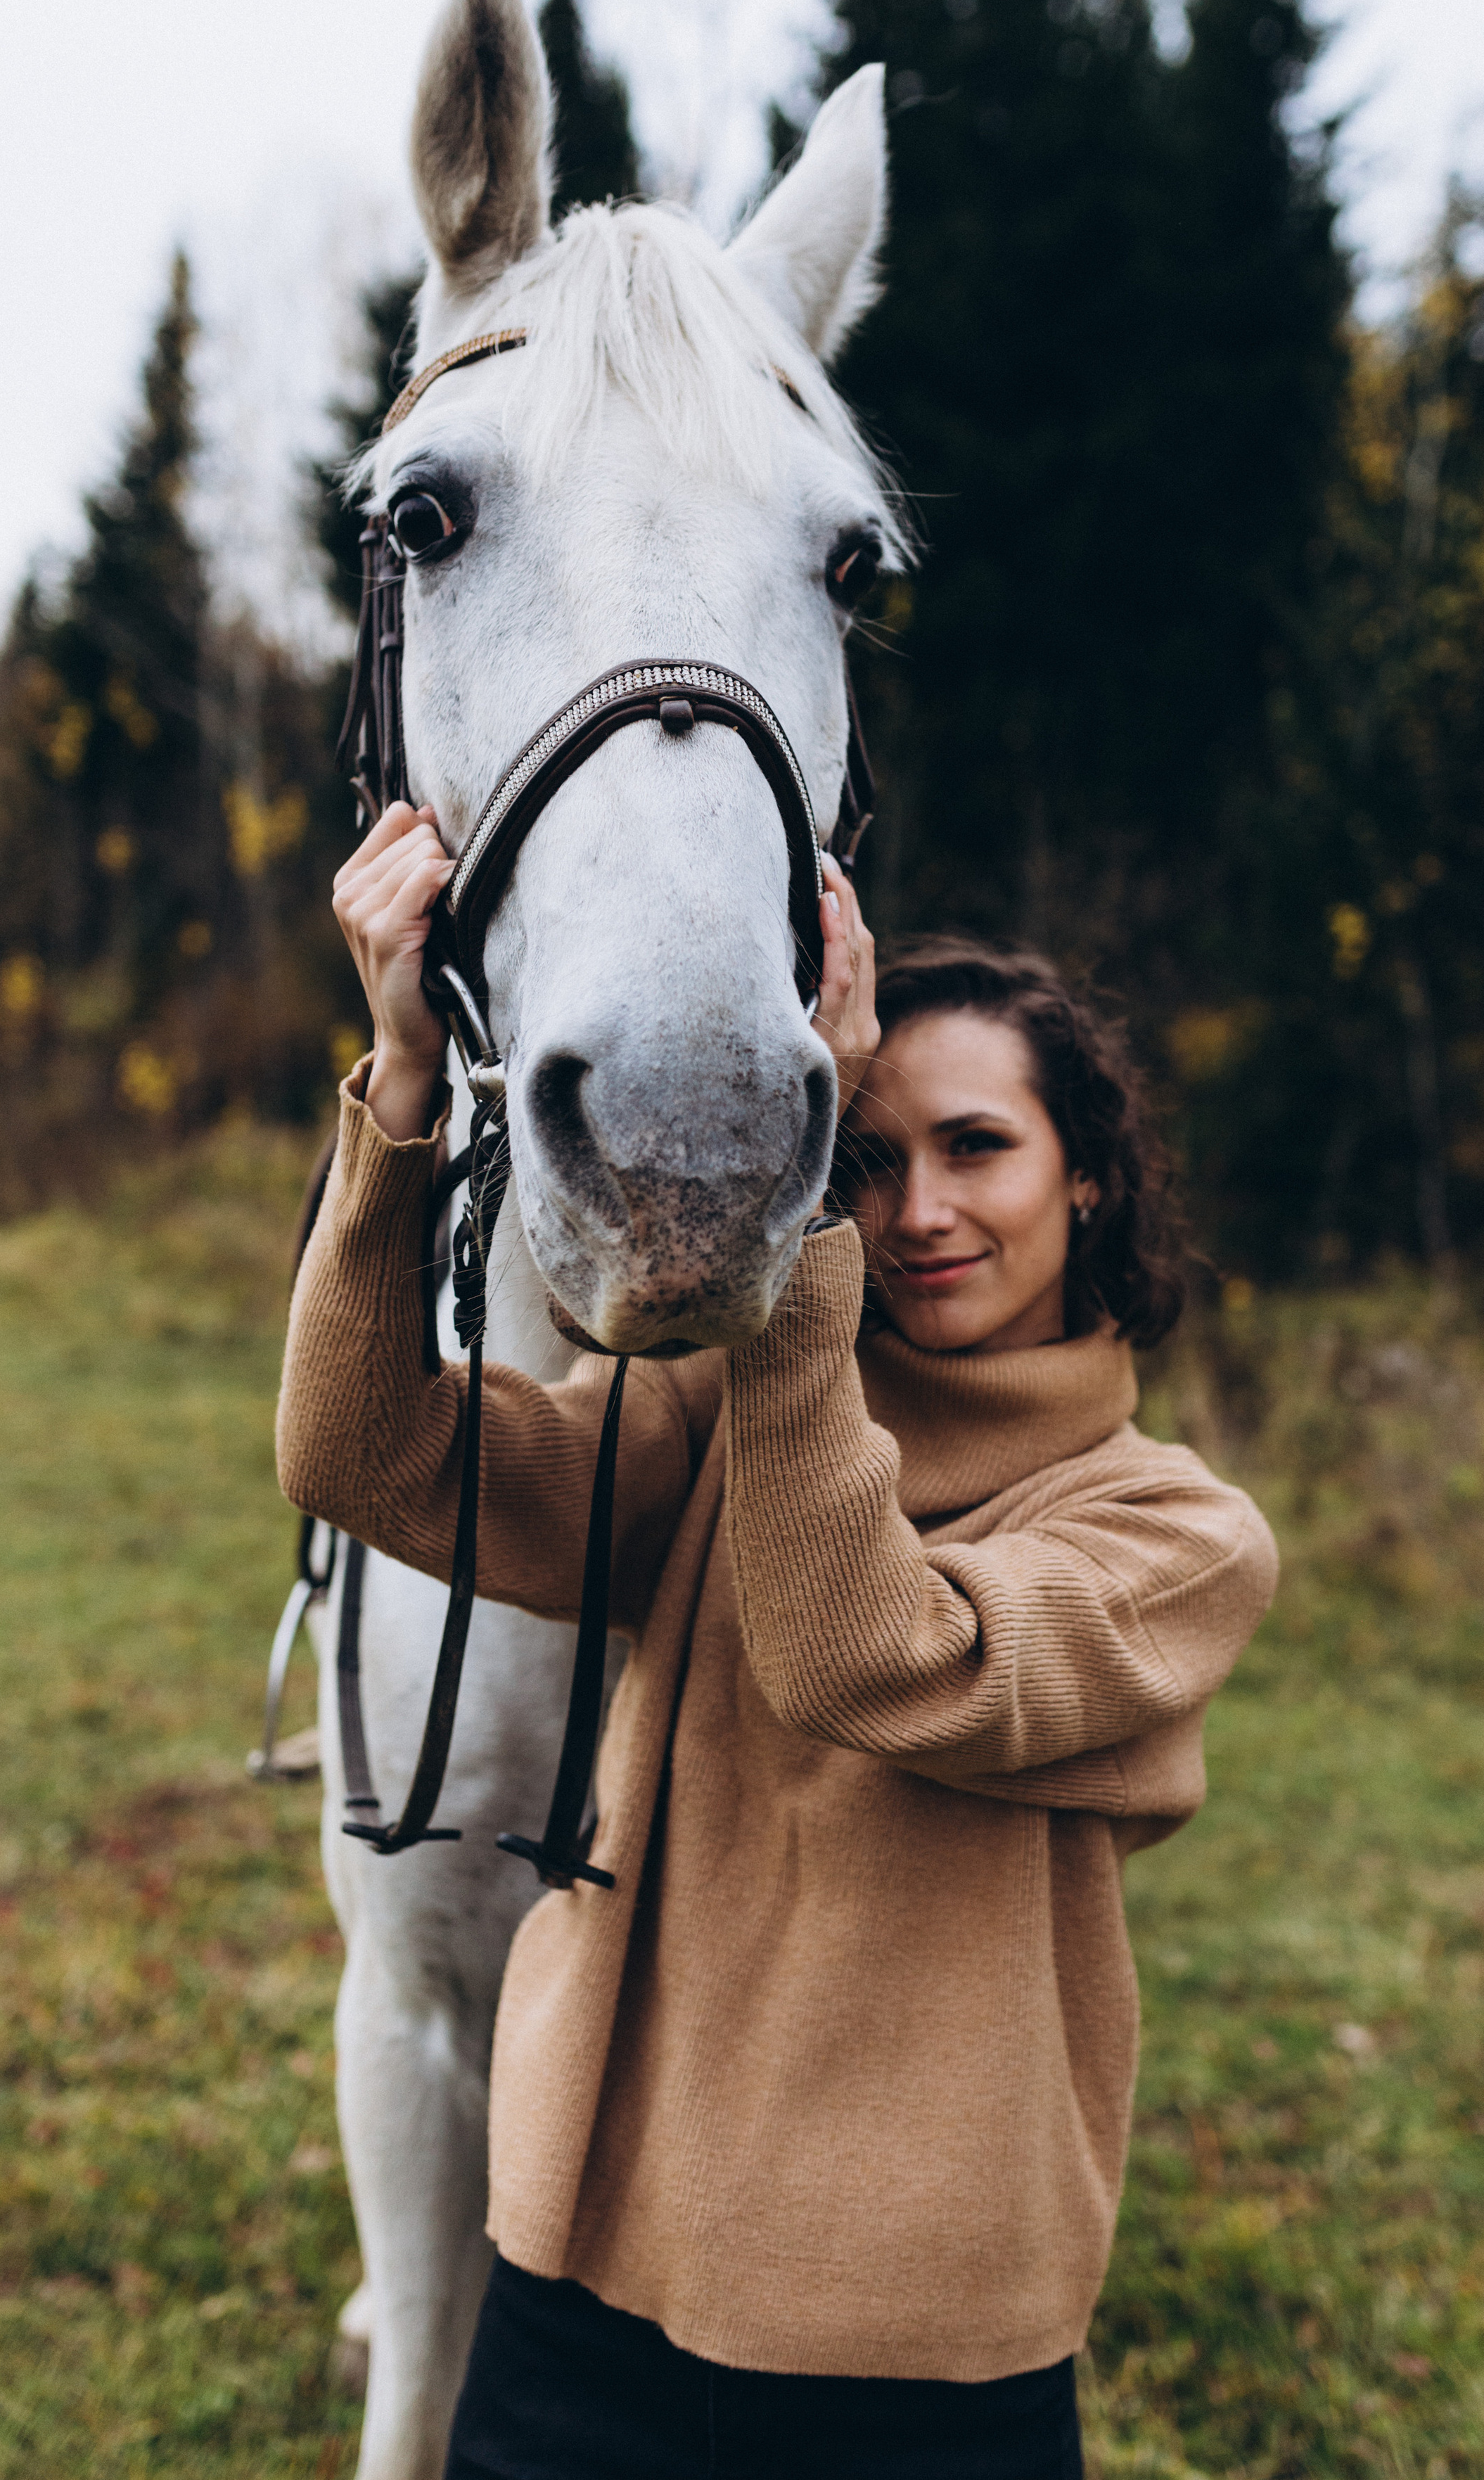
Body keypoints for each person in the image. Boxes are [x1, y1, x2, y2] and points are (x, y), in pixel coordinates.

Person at [278, 800, 1278, 2480]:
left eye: (976, 1146)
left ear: (1086, 1174)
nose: (915, 1212)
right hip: (582, 2286)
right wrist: (401, 1088)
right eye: (862, 1160)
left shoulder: (1171, 1536)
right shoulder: (719, 1426)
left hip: (913, 2355)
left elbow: (859, 1656)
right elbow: (364, 1455)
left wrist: (787, 1220)